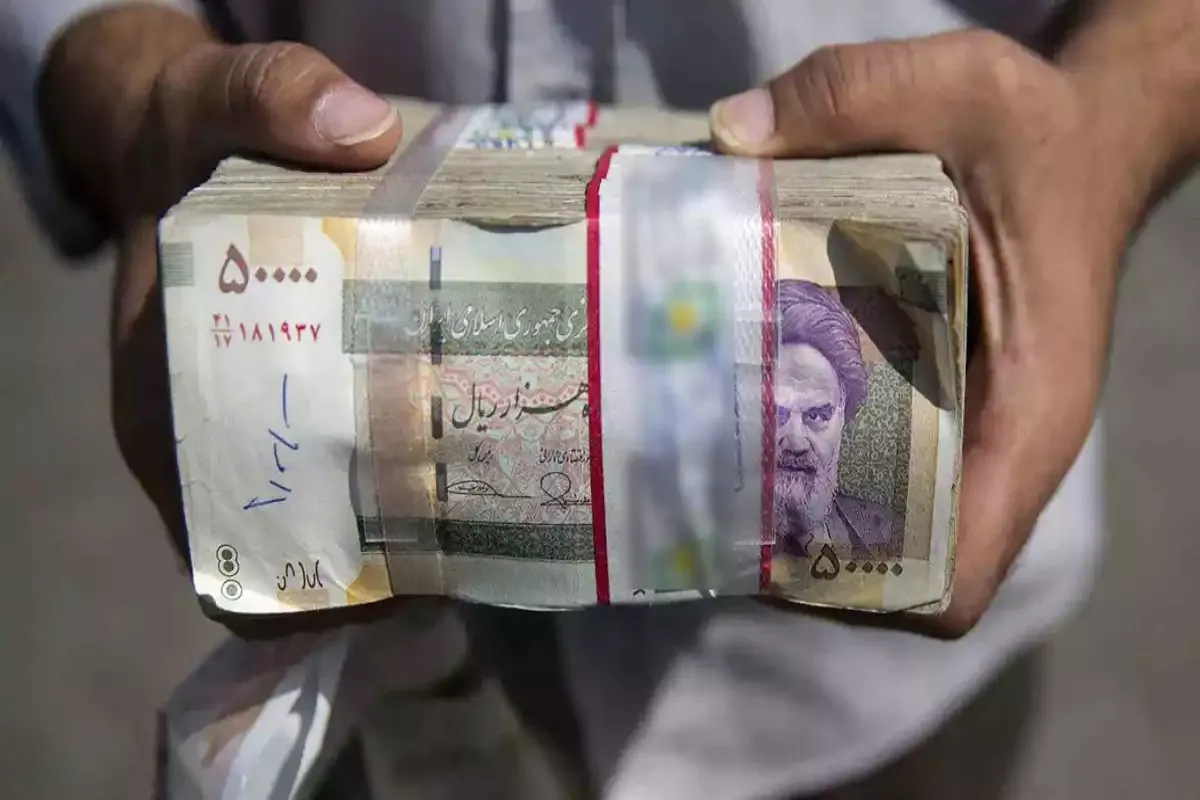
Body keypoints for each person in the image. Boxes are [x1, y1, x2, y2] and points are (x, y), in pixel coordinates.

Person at [2, 0, 1195, 796]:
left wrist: (1105, 129)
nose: (800, 431)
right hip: (380, 659)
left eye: (815, 416)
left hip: (879, 707)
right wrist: (130, 83)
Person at [773, 278, 899, 562]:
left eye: (816, 415)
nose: (796, 441)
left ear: (843, 416)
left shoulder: (888, 534)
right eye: (774, 413)